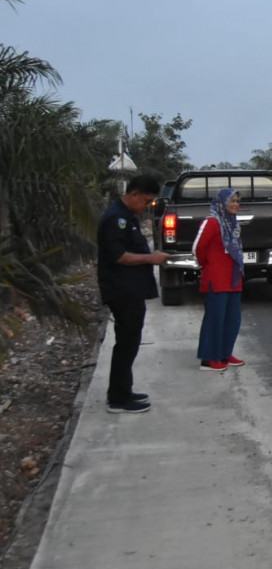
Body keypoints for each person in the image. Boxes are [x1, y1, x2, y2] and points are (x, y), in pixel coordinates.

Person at [96, 175, 169, 414]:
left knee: (130, 342)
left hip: (131, 290)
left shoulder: (128, 217)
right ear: (135, 194)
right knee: (126, 344)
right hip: (121, 291)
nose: (146, 207)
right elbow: (119, 256)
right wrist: (151, 258)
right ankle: (118, 399)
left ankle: (124, 391)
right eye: (146, 201)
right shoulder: (116, 219)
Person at [193, 188, 247, 372]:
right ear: (222, 203)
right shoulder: (212, 222)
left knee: (233, 319)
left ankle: (225, 353)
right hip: (216, 279)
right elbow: (198, 248)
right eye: (231, 201)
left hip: (233, 278)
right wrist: (207, 265)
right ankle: (209, 358)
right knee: (215, 318)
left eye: (237, 201)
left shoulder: (232, 223)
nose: (235, 205)